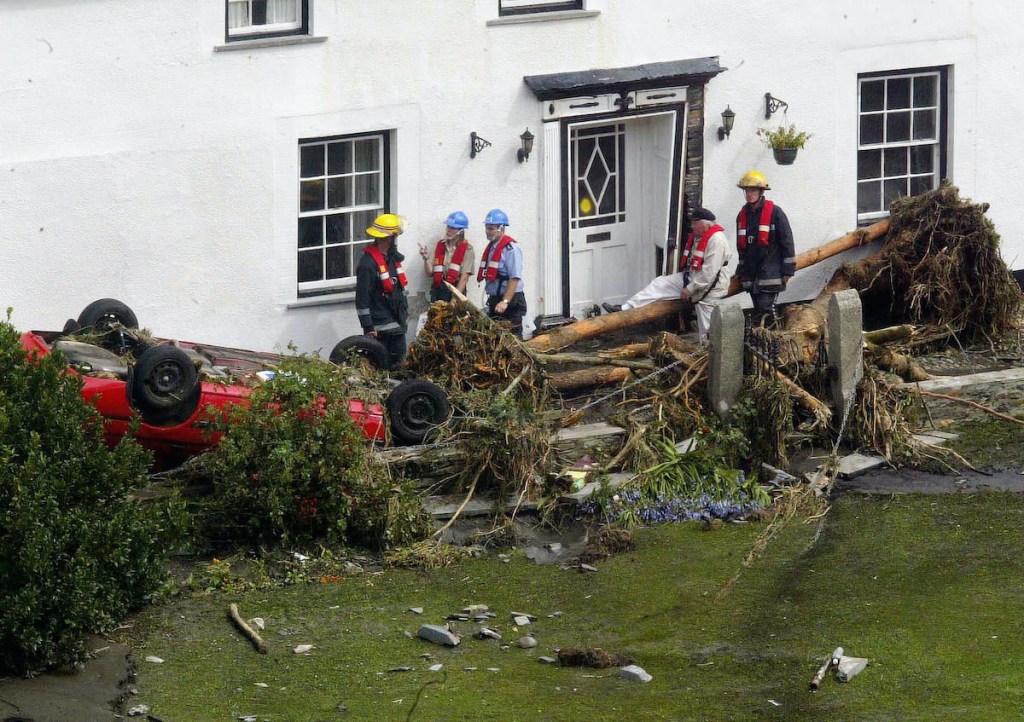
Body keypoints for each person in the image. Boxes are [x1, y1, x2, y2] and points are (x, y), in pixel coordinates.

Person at [601, 207, 732, 342]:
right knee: (660, 283)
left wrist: (690, 289)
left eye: (695, 223)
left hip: (711, 286)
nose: (692, 226)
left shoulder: (717, 240)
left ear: (705, 224)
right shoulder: (700, 236)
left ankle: (708, 358)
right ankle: (626, 308)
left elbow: (708, 273)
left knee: (707, 327)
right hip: (693, 277)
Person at [734, 170, 795, 328]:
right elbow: (742, 248)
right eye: (747, 191)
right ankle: (765, 342)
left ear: (761, 191)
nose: (749, 194)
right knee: (759, 310)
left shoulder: (775, 213)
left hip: (771, 273)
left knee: (766, 309)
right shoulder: (742, 216)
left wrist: (788, 270)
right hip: (752, 275)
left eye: (753, 190)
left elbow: (786, 241)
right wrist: (741, 270)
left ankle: (775, 342)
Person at [355, 213, 409, 370]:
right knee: (380, 369)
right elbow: (362, 299)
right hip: (380, 330)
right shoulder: (368, 265)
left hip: (397, 326)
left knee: (398, 369)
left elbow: (398, 291)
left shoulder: (391, 259)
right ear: (389, 238)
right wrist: (368, 327)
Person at [478, 208, 526, 338]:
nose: (487, 231)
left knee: (513, 338)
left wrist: (505, 301)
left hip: (511, 300)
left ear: (501, 228)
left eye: (491, 228)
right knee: (496, 337)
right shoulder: (492, 248)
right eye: (487, 228)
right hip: (495, 298)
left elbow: (514, 278)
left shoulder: (511, 249)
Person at [418, 211, 476, 303]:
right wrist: (425, 258)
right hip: (438, 292)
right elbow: (429, 273)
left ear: (460, 231)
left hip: (455, 292)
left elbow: (464, 278)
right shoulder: (440, 245)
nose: (448, 230)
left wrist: (455, 299)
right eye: (448, 226)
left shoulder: (467, 249)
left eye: (453, 228)